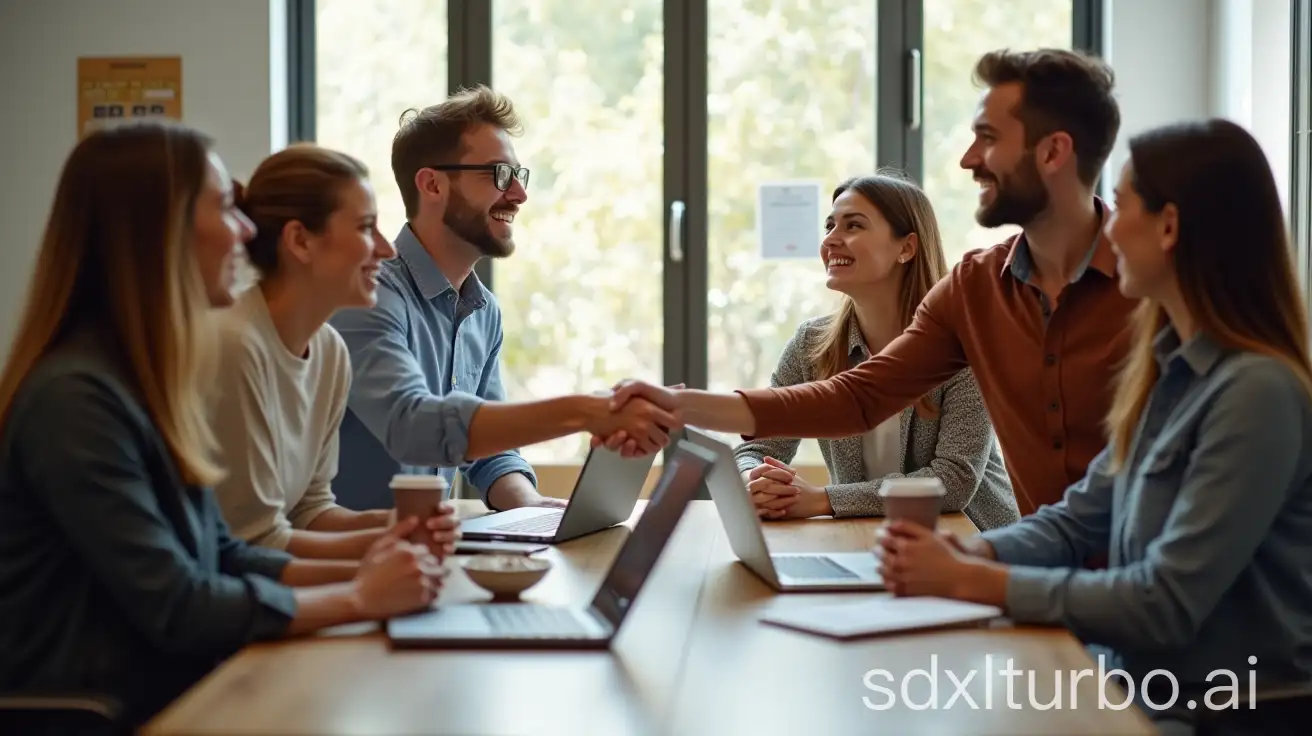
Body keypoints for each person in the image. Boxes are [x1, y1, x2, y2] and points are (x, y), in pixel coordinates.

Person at [0, 120, 444, 726]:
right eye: (224, 208)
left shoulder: (138, 379)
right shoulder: (75, 400)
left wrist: (367, 569)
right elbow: (180, 605)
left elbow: (222, 551)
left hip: (174, 687)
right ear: (159, 232)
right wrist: (359, 595)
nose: (244, 228)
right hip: (112, 710)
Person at [877, 119, 1312, 731]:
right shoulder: (1169, 373)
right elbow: (1084, 515)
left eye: (1124, 205)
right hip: (1146, 690)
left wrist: (979, 580)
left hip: (1231, 712)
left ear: (1169, 226)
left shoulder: (1256, 394)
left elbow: (1164, 603)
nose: (1108, 226)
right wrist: (972, 550)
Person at [603, 48, 1133, 519]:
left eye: (987, 139)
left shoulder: (1154, 290)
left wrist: (823, 501)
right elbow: (855, 398)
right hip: (1034, 568)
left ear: (1052, 152)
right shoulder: (974, 291)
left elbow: (959, 479)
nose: (967, 159)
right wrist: (681, 405)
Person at [329, 85, 679, 512]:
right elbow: (414, 425)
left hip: (429, 552)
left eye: (519, 175)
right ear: (433, 184)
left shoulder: (483, 311)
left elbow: (490, 452)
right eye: (498, 174)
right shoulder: (369, 294)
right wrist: (587, 411)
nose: (519, 194)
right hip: (349, 559)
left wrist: (533, 510)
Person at [209, 143, 458, 560]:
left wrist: (400, 526)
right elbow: (253, 540)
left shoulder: (330, 352)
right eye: (365, 228)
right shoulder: (236, 345)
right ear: (300, 241)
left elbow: (310, 510)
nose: (386, 248)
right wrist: (387, 551)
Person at [733, 173, 1018, 531]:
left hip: (973, 542)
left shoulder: (959, 344)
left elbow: (954, 479)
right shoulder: (811, 345)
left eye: (853, 225)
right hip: (864, 537)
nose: (831, 241)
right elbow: (756, 448)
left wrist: (823, 499)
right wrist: (755, 482)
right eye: (829, 226)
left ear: (906, 248)